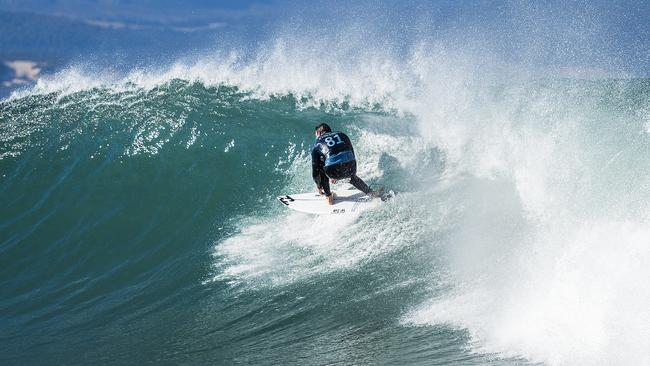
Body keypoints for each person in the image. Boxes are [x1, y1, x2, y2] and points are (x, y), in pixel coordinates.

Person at [311, 123, 381, 205]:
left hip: (333, 171)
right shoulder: (342, 134)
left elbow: (315, 172)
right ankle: (371, 193)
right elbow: (352, 154)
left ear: (319, 133)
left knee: (320, 166)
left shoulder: (317, 144)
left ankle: (329, 196)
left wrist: (319, 186)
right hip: (351, 168)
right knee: (351, 177)